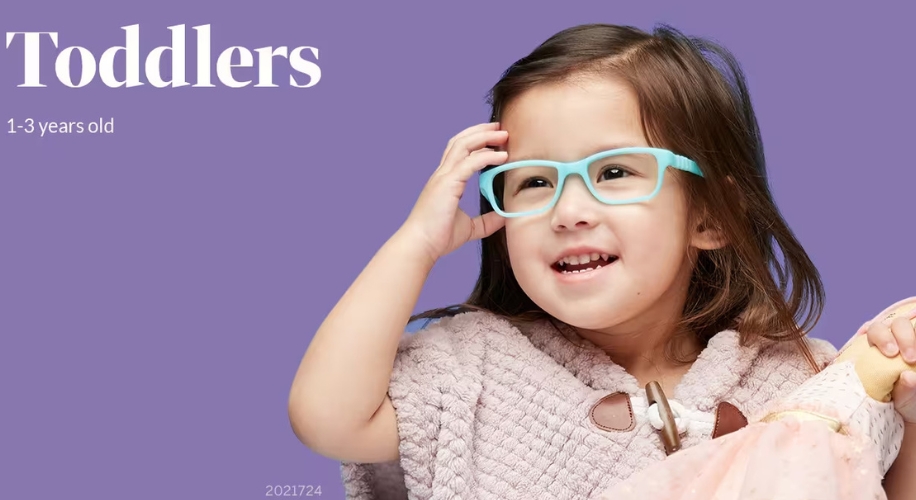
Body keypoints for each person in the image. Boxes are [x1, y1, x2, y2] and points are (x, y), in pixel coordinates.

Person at [287, 23, 916, 499]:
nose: (568, 210)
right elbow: (328, 419)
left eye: (613, 172)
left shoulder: (803, 382)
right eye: (533, 182)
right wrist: (413, 244)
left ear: (711, 217)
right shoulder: (469, 372)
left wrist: (910, 421)